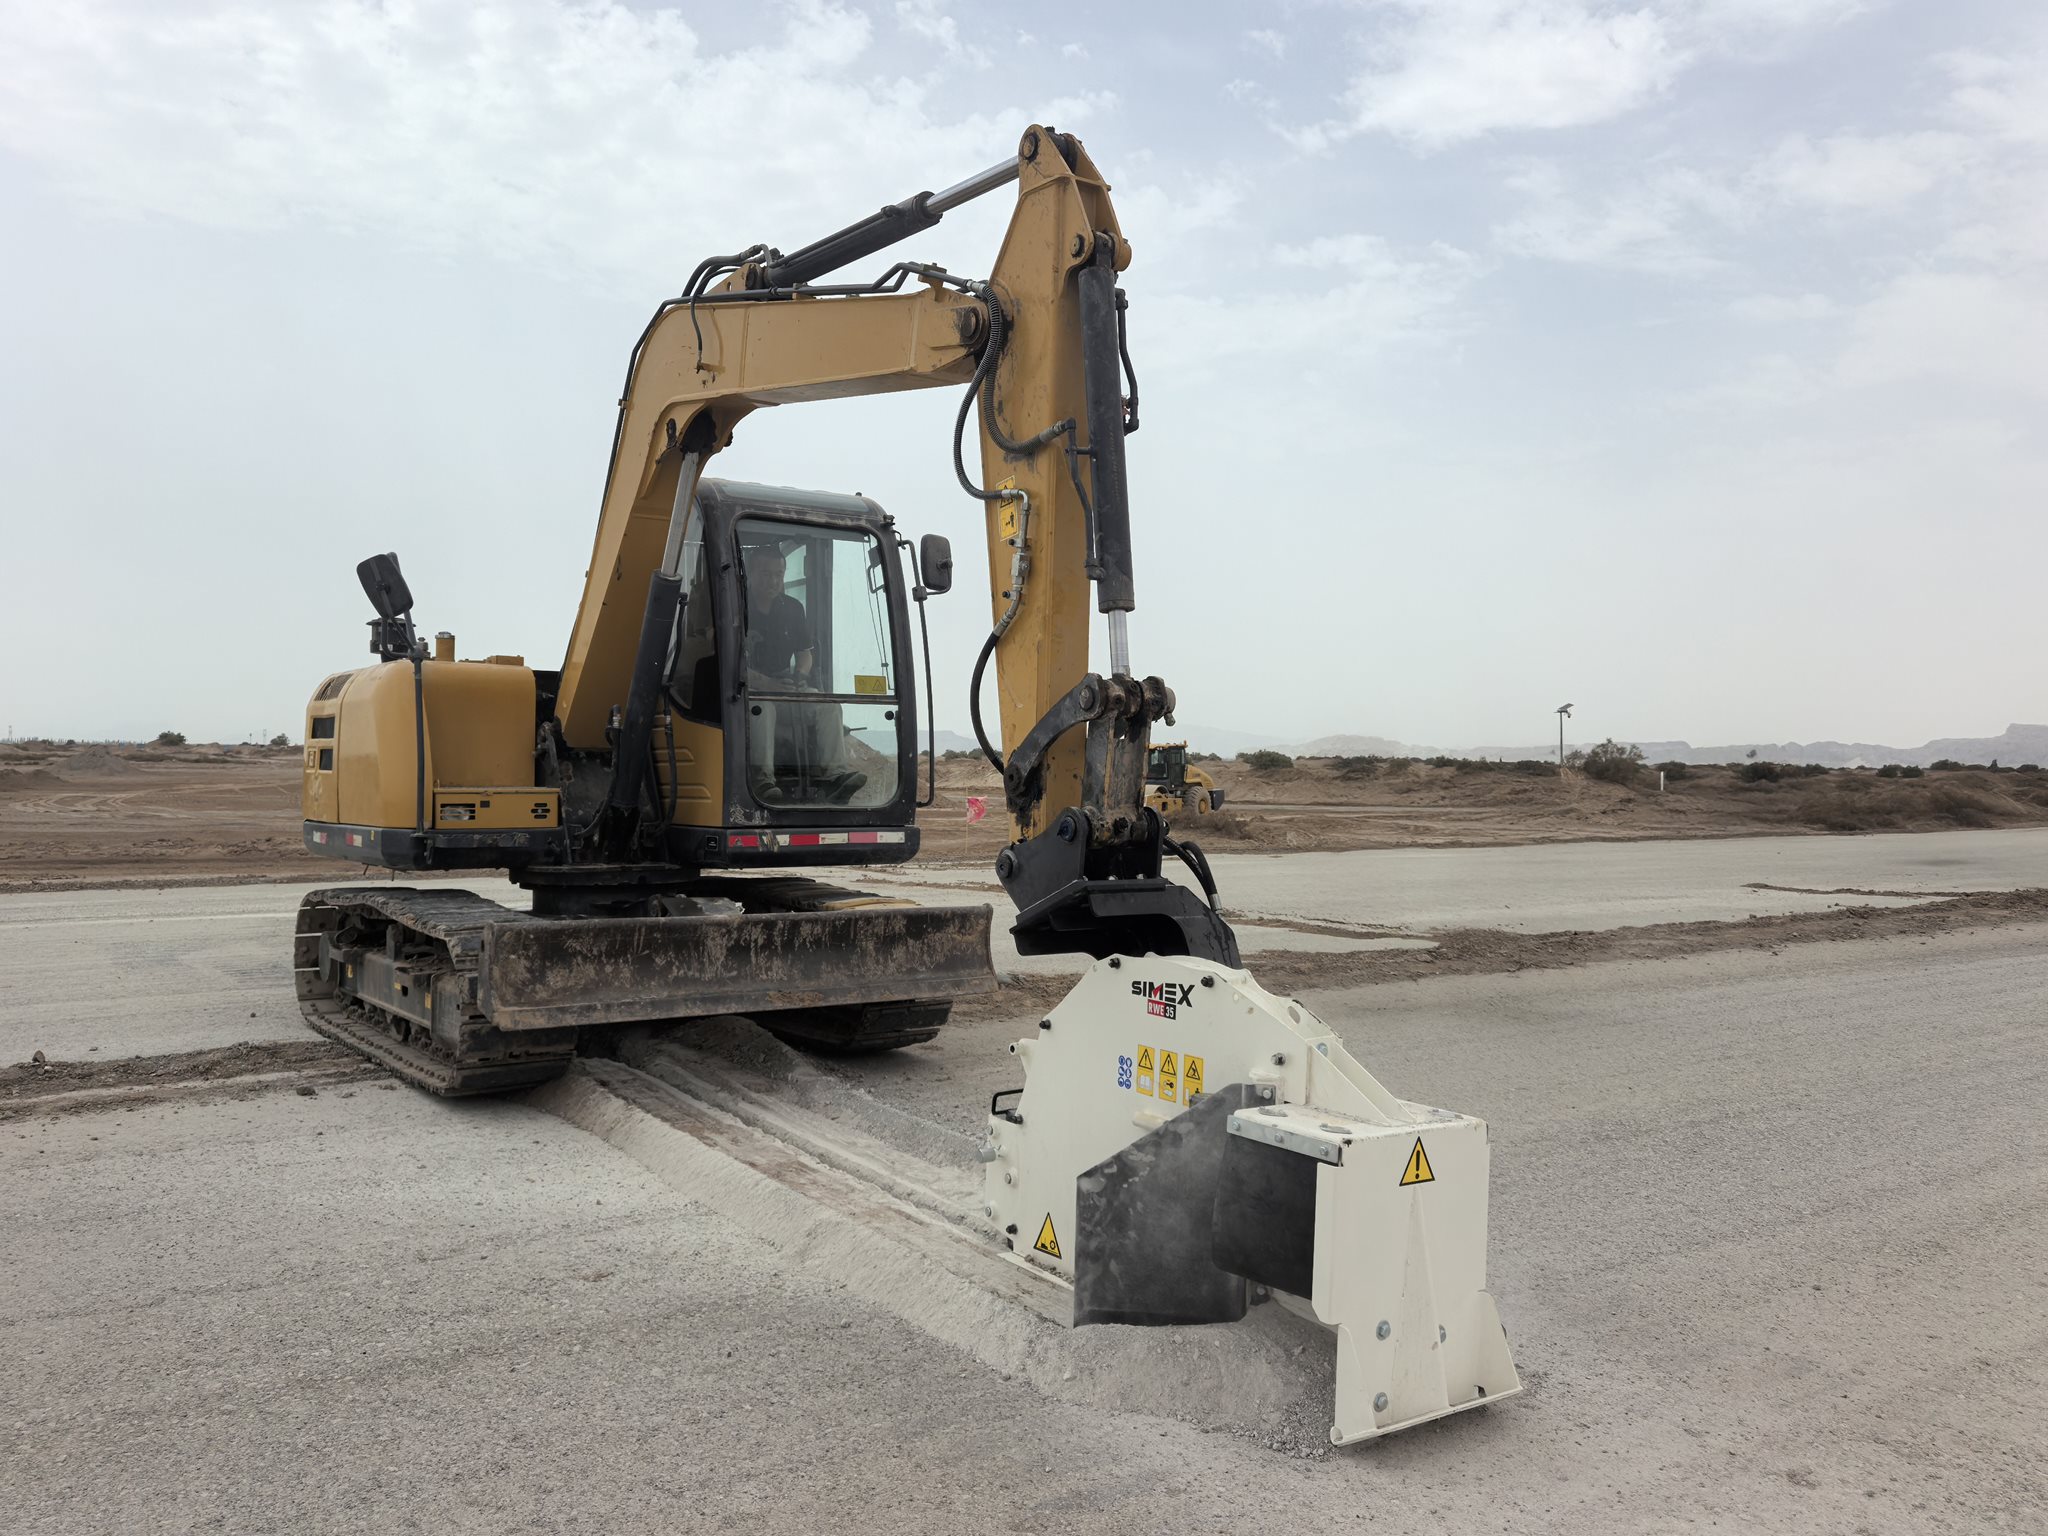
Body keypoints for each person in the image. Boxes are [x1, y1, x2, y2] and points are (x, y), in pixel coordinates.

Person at [742, 543, 865, 805]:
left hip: (786, 688)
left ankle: (835, 777)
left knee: (827, 705)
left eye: (779, 574)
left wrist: (800, 675)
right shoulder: (734, 604)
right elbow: (726, 661)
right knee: (761, 707)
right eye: (765, 574)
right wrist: (768, 685)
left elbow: (806, 653)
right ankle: (763, 782)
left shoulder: (793, 609)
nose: (773, 580)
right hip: (744, 694)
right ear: (750, 573)